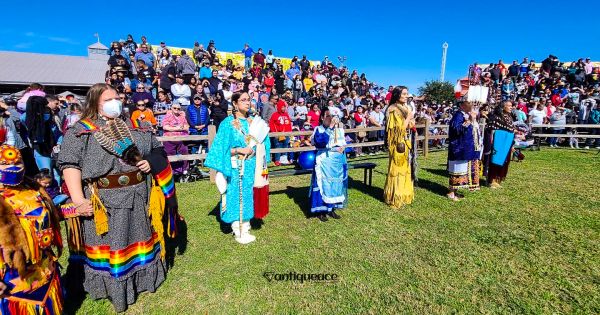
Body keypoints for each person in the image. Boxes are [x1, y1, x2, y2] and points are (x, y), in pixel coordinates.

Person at [57, 83, 178, 312]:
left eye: (118, 97)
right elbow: (70, 164)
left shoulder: (135, 127)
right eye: (109, 99)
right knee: (112, 242)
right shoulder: (81, 131)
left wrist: (149, 162)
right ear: (95, 104)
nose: (116, 102)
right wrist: (79, 200)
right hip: (105, 202)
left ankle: (143, 279)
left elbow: (157, 150)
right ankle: (110, 287)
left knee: (140, 237)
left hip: (138, 196)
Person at [0, 145, 67, 315]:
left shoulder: (32, 187)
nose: (14, 167)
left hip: (44, 267)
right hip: (14, 278)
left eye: (18, 161)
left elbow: (49, 216)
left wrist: (75, 210)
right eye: (5, 164)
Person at [205, 92, 271, 244]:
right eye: (243, 100)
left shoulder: (254, 122)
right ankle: (237, 228)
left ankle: (246, 226)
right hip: (235, 166)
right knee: (235, 194)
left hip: (252, 166)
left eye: (249, 100)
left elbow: (264, 142)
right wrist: (239, 150)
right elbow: (220, 149)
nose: (247, 103)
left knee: (248, 194)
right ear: (235, 103)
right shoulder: (228, 123)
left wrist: (259, 149)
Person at [309, 108, 348, 222]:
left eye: (333, 116)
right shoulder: (319, 129)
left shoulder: (339, 130)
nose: (331, 118)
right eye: (328, 116)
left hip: (336, 162)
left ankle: (331, 208)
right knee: (323, 185)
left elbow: (344, 143)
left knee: (334, 185)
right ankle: (321, 210)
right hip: (324, 161)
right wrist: (330, 127)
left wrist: (343, 148)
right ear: (322, 118)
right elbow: (320, 142)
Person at [383, 86, 415, 208]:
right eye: (404, 94)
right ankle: (394, 197)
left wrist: (410, 120)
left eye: (407, 94)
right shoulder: (392, 110)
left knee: (404, 169)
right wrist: (408, 117)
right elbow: (398, 129)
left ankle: (403, 195)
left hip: (405, 142)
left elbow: (409, 125)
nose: (407, 96)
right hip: (398, 144)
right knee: (396, 170)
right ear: (397, 95)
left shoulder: (404, 107)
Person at [446, 101, 482, 201]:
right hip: (460, 149)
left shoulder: (466, 115)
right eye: (469, 103)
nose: (472, 105)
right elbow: (457, 130)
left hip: (468, 148)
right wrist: (469, 120)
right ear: (462, 105)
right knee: (457, 169)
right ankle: (451, 192)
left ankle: (455, 191)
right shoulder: (458, 115)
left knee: (463, 170)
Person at [484, 101, 516, 189]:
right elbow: (490, 129)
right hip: (498, 143)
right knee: (495, 161)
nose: (511, 107)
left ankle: (497, 180)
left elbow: (511, 130)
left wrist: (511, 143)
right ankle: (491, 180)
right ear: (503, 107)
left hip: (507, 143)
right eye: (508, 106)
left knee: (504, 161)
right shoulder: (496, 117)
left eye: (511, 106)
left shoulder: (510, 117)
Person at [162, 104, 189, 177]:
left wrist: (181, 128)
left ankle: (184, 170)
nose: (176, 109)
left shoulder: (182, 116)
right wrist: (177, 128)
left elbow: (187, 127)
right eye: (175, 108)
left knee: (185, 151)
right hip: (169, 139)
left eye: (178, 108)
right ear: (171, 108)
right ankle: (171, 171)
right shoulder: (168, 116)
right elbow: (165, 127)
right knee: (170, 154)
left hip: (181, 139)